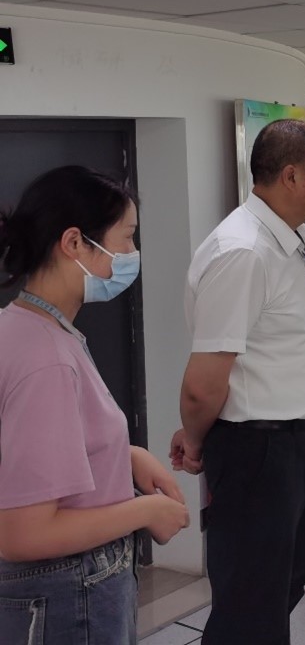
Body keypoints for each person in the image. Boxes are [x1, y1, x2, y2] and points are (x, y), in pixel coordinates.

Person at [0, 166, 189, 645]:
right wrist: (145, 511)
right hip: (67, 593)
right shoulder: (45, 358)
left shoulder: (25, 327)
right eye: (126, 238)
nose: (131, 254)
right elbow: (24, 534)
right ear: (74, 243)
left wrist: (123, 456)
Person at [169, 118, 305, 644]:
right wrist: (196, 439)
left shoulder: (284, 238)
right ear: (292, 176)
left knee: (282, 585)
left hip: (294, 442)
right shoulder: (243, 252)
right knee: (250, 603)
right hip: (257, 451)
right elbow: (203, 383)